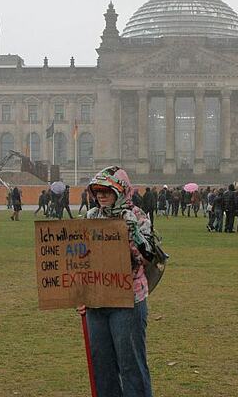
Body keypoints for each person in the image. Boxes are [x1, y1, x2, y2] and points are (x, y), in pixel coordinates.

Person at [77, 166, 154, 397]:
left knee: (131, 365)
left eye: (107, 191)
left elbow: (147, 258)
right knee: (102, 366)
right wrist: (80, 294)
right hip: (97, 301)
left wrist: (134, 233)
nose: (101, 195)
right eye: (97, 191)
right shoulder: (92, 217)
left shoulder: (137, 216)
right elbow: (81, 260)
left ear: (121, 192)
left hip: (128, 301)